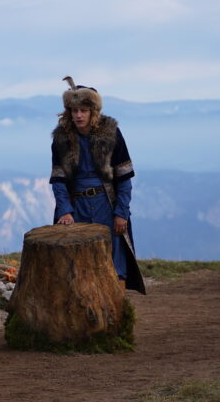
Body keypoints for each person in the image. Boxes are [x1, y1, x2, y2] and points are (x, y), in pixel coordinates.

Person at [49, 76, 146, 294]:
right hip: (77, 206)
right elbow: (59, 180)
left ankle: (119, 317)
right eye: (74, 110)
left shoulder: (111, 133)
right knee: (75, 265)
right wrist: (65, 211)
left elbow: (123, 176)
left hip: (106, 204)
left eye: (83, 110)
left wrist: (121, 213)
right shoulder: (61, 139)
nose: (78, 115)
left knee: (114, 264)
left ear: (93, 111)